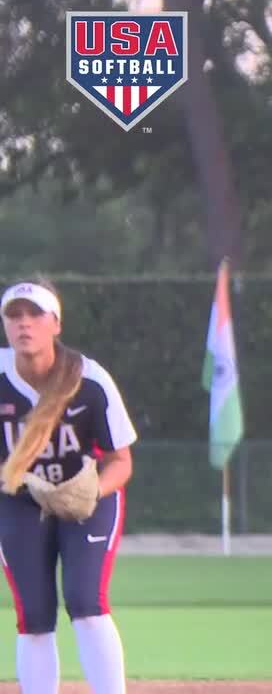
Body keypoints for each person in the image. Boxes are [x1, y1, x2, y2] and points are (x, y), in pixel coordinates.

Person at [0, 279, 137, 694]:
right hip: (18, 501)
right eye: (14, 316)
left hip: (86, 500)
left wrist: (89, 494)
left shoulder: (89, 380)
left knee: (85, 602)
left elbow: (120, 461)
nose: (24, 324)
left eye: (35, 315)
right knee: (35, 614)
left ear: (56, 323)